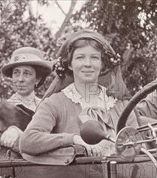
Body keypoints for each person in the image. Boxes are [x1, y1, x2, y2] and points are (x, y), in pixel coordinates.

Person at [19, 29, 132, 161]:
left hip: (122, 177)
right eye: (80, 58)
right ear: (70, 64)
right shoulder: (55, 103)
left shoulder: (120, 104)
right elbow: (27, 141)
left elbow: (140, 146)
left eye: (94, 58)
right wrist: (73, 139)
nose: (88, 64)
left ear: (102, 64)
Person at [0, 47, 52, 149]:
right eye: (16, 73)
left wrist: (20, 134)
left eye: (26, 73)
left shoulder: (47, 107)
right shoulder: (3, 109)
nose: (20, 79)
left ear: (37, 79)